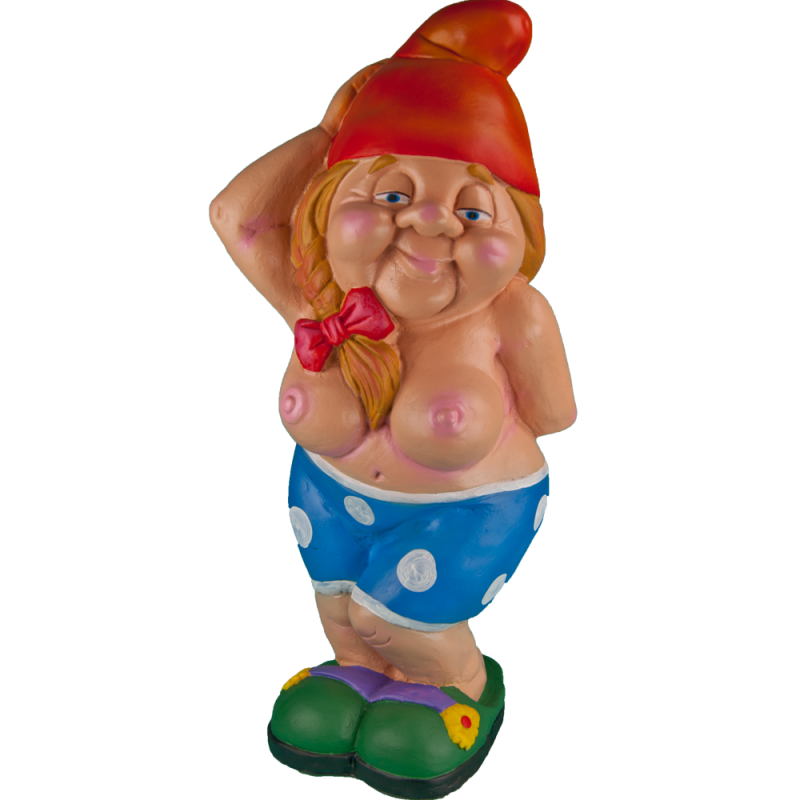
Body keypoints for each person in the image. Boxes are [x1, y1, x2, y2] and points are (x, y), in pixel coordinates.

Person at [209, 1, 575, 795]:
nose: (431, 226)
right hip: (329, 498)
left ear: (518, 235)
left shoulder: (510, 314)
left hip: (468, 511)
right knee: (345, 617)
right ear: (327, 206)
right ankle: (358, 684)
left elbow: (553, 416)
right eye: (391, 197)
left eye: (472, 209)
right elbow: (237, 218)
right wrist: (325, 132)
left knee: (391, 616)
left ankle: (461, 689)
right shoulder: (316, 296)